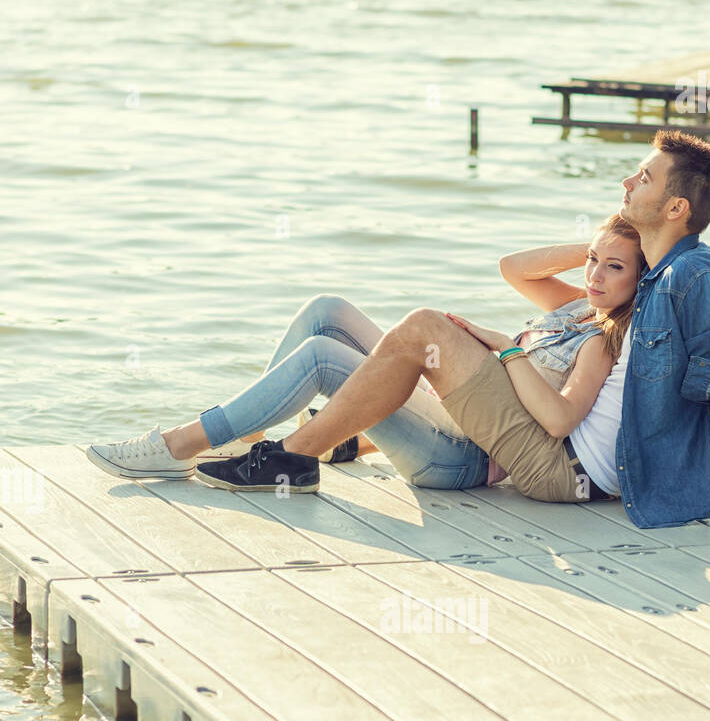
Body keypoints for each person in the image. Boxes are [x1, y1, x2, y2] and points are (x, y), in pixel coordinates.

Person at [87, 215, 648, 505]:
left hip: (459, 458)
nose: (595, 277)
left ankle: (180, 447)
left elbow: (556, 421)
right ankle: (240, 438)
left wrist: (504, 347)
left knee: (325, 358)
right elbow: (512, 266)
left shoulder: (602, 340)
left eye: (614, 269)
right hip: (440, 414)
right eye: (593, 263)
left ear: (641, 277)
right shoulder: (575, 306)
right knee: (326, 311)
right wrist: (606, 240)